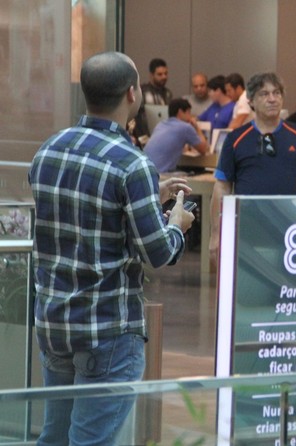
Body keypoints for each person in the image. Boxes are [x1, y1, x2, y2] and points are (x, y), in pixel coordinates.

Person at [28, 51, 195, 446]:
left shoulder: (48, 151)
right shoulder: (131, 164)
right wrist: (177, 224)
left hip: (54, 323)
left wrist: (147, 199)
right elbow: (157, 253)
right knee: (92, 441)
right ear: (133, 94)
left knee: (54, 436)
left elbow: (84, 217)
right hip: (107, 330)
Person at [209, 72, 296, 265]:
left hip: (291, 232)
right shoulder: (236, 139)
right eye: (264, 94)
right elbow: (222, 187)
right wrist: (216, 234)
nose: (272, 99)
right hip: (247, 230)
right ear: (251, 101)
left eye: (277, 93)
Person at [144, 98, 208, 172]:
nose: (190, 116)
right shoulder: (186, 127)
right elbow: (203, 149)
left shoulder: (160, 124)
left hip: (146, 170)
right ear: (180, 112)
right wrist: (197, 128)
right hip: (161, 174)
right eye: (188, 112)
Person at [133, 58, 173, 143]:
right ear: (151, 75)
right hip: (144, 139)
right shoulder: (142, 92)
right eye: (160, 74)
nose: (164, 77)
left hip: (164, 138)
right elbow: (135, 116)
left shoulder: (168, 94)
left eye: (166, 74)